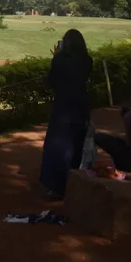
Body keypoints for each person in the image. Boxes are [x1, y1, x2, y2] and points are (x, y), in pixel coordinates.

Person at [39, 29, 93, 199]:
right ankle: (74, 183)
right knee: (76, 144)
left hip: (63, 106)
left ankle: (56, 186)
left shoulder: (61, 60)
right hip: (81, 106)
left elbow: (51, 81)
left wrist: (55, 58)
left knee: (57, 146)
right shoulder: (87, 60)